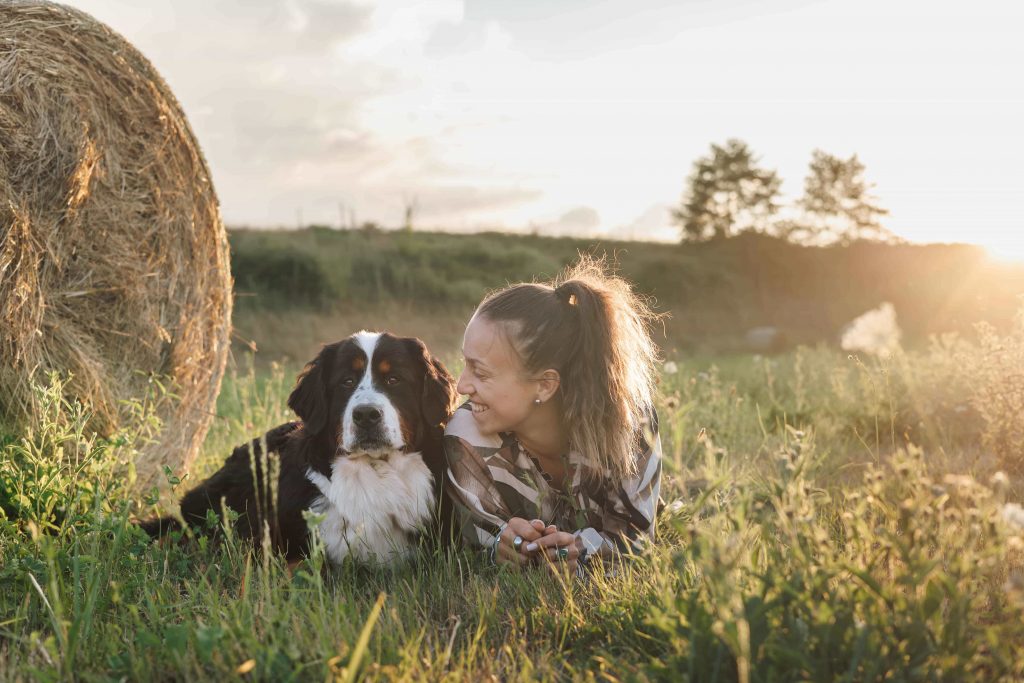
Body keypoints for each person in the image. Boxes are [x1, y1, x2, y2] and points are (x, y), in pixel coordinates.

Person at [443, 257, 663, 576]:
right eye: (465, 364)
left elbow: (637, 541)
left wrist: (585, 553)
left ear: (545, 385)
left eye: (481, 372)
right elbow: (477, 548)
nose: (462, 386)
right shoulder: (465, 440)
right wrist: (500, 548)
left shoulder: (628, 420)